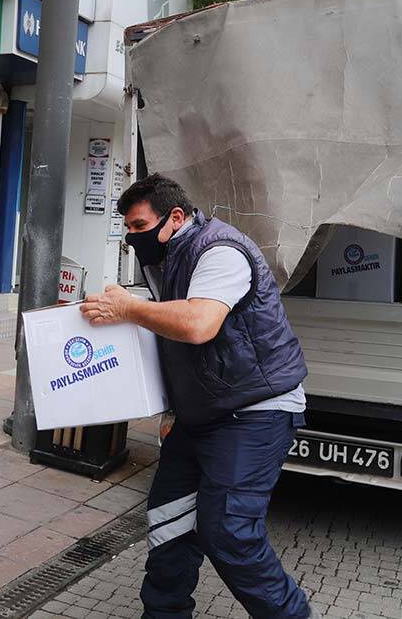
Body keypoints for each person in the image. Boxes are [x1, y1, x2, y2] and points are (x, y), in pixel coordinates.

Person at [80, 174, 315, 619]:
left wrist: (128, 308)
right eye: (127, 228)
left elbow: (197, 324)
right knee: (168, 520)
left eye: (139, 225)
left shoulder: (220, 250)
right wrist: (173, 408)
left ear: (175, 217)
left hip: (255, 410)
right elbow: (174, 340)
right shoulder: (166, 257)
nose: (132, 237)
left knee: (228, 531)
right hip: (200, 414)